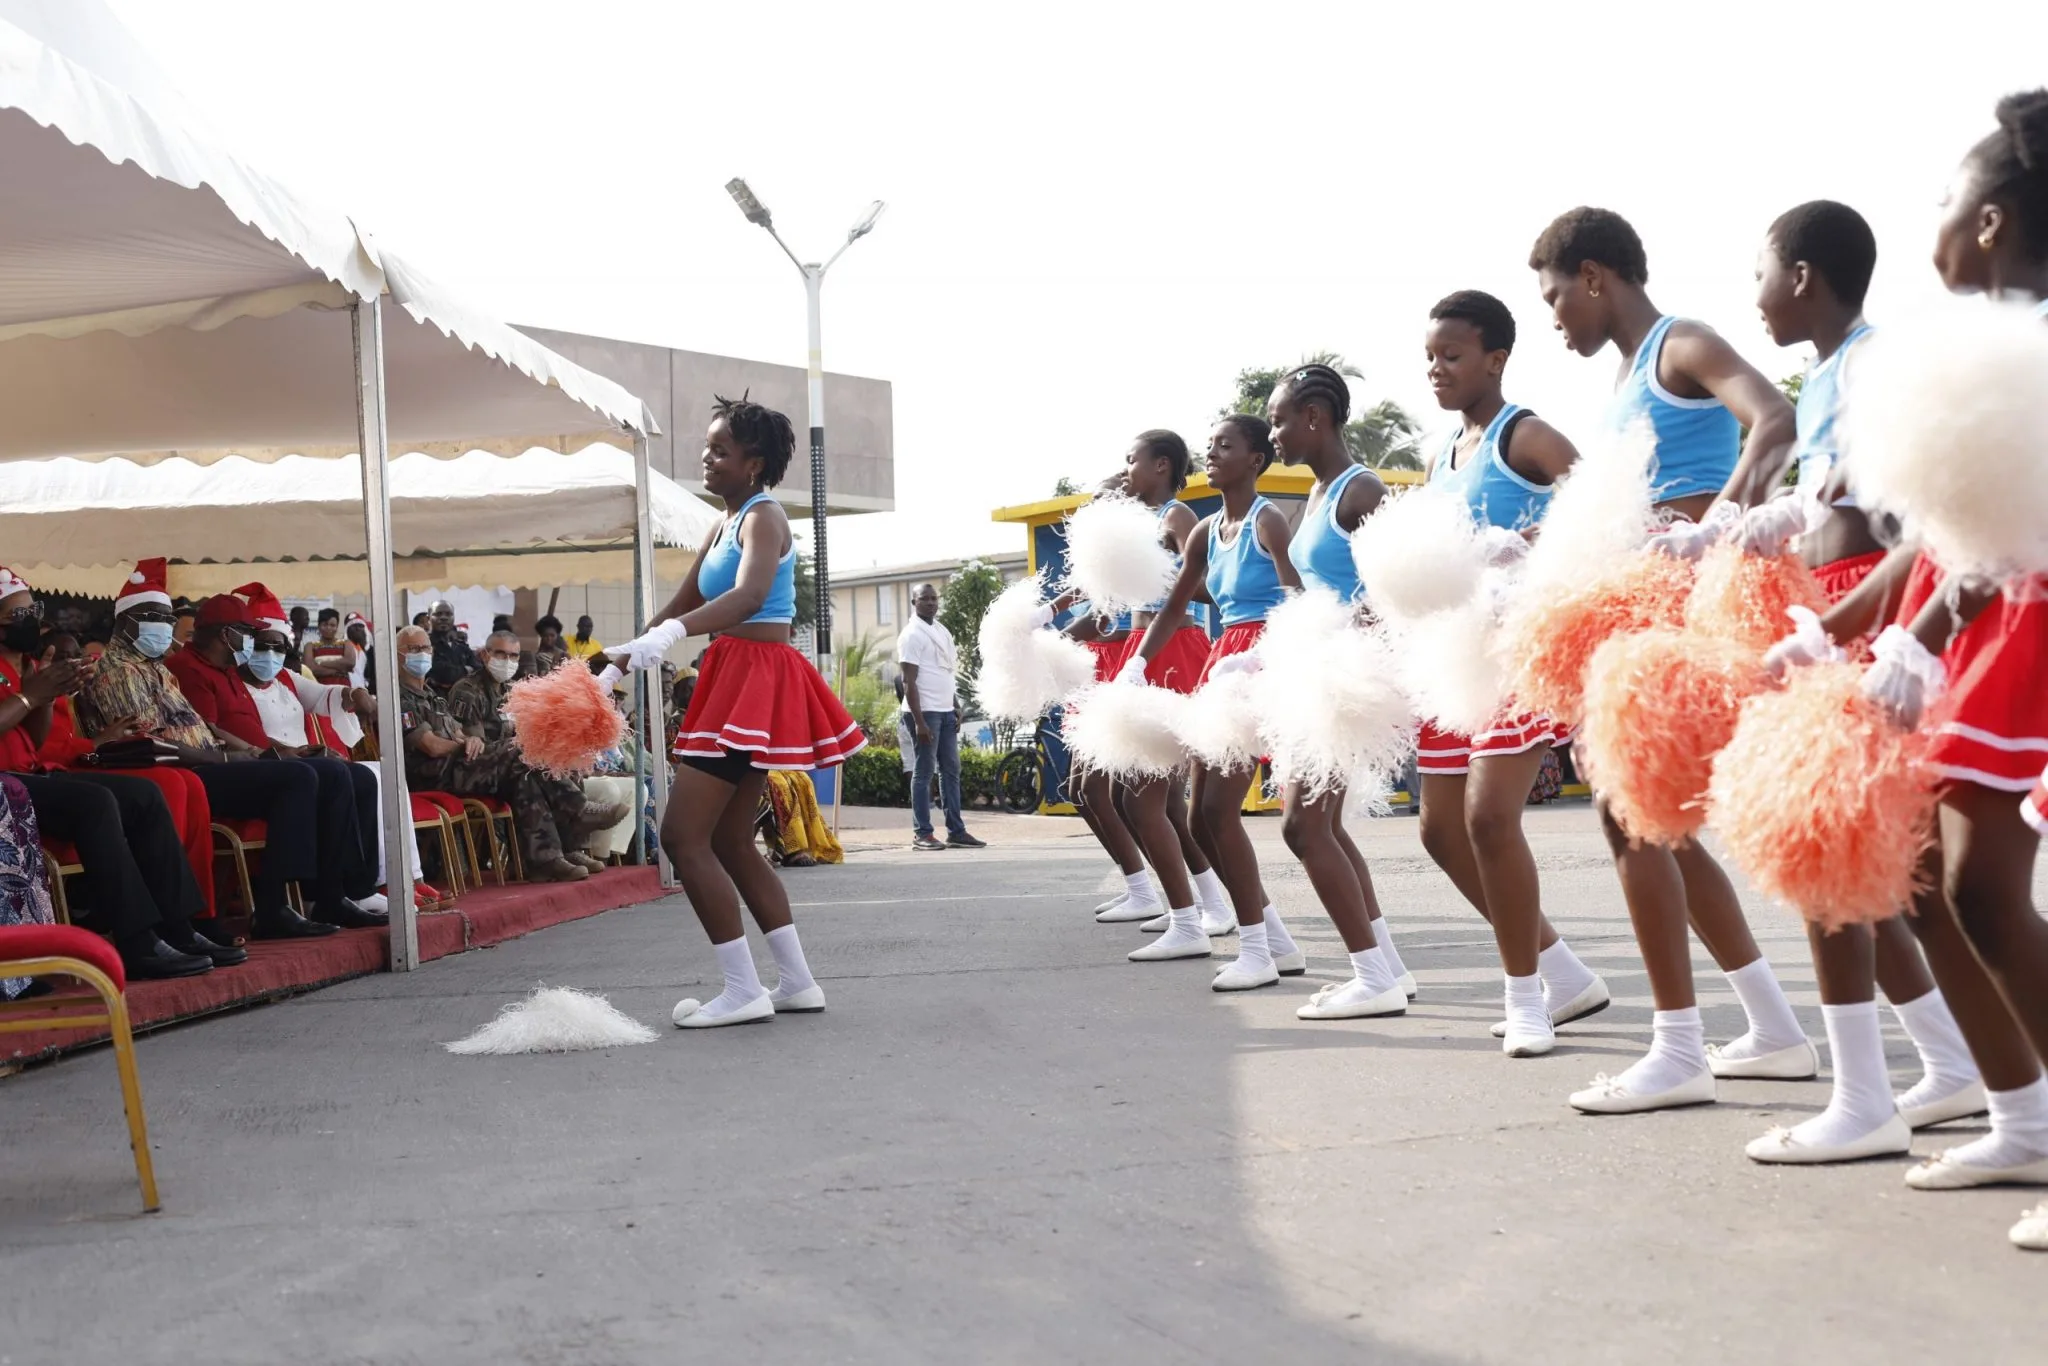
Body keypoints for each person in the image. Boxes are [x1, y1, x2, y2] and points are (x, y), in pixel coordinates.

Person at [1778, 93, 2048, 1247]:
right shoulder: (1977, 351)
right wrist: (1838, 626)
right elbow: (1936, 535)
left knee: (1980, 880)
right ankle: (2022, 1116)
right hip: (1977, 622)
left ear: (1988, 221)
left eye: (1945, 197)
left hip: (2022, 622)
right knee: (1932, 878)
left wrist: (1920, 634)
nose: (1929, 217)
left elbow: (2003, 543)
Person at [1529, 206, 1811, 1113]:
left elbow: (1775, 419)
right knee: (1654, 822)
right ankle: (1772, 1028)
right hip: (1644, 605)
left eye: (1555, 296)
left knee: (1631, 816)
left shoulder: (1679, 344)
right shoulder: (1621, 379)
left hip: (1689, 608)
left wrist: (1718, 524)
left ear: (1594, 276)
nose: (1553, 316)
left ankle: (1679, 1048)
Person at [1736, 202, 1985, 1165]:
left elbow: (1908, 506)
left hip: (1880, 607)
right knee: (1889, 872)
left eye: (1762, 272)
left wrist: (1858, 609)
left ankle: (1864, 1098)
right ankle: (1950, 1061)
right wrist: (1780, 517)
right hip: (1839, 603)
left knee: (1834, 850)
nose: (1756, 294)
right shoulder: (1828, 373)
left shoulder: (1877, 361)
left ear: (1802, 276)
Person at [607, 393, 865, 1028]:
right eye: (707, 446)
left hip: (754, 678)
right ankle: (796, 981)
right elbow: (681, 603)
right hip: (733, 674)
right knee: (727, 839)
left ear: (754, 464)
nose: (707, 457)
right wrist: (622, 657)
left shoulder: (763, 517)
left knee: (681, 837)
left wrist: (673, 635)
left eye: (720, 450)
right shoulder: (721, 524)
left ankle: (742, 989)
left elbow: (749, 596)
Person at [1413, 289, 1611, 1058]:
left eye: (1452, 355)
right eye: (1430, 357)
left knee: (1490, 819)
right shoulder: (1439, 455)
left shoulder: (1523, 435)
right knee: (1439, 831)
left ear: (1495, 359)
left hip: (1519, 648)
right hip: (1454, 653)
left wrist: (1529, 545)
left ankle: (1525, 998)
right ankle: (1562, 972)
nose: (1437, 369)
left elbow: (1604, 506)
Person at [1125, 415, 1308, 989]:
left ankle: (1256, 951)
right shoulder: (1205, 531)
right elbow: (1176, 603)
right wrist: (1137, 664)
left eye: (1225, 446)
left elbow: (1297, 599)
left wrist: (1268, 660)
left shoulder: (1267, 521)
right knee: (1201, 817)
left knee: (1219, 811)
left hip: (1259, 661)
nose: (1212, 454)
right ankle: (1276, 941)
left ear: (1255, 459)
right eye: (1210, 446)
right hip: (1222, 660)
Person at [74, 560, 343, 940]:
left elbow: (201, 727)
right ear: (127, 621)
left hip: (206, 762)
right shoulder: (119, 671)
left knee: (327, 772)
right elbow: (150, 742)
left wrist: (253, 753)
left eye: (168, 619)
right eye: (156, 618)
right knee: (297, 778)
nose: (166, 627)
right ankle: (272, 906)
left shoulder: (155, 669)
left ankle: (324, 894)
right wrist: (227, 757)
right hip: (188, 769)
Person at [1, 567, 241, 976]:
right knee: (95, 802)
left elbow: (36, 740)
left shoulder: (25, 664)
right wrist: (31, 697)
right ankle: (136, 940)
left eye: (34, 610)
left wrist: (45, 695)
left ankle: (178, 926)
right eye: (20, 614)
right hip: (9, 786)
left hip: (35, 773)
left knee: (143, 796)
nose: (33, 621)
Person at [1267, 363, 1412, 1020]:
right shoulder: (1317, 494)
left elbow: (1396, 592)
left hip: (1349, 677)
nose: (1274, 433)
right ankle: (1388, 968)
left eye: (1279, 421)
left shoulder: (1362, 491)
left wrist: (1350, 643)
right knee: (1319, 826)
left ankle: (1373, 978)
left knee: (1304, 827)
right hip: (1315, 671)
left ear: (1314, 418)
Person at [166, 588, 388, 928]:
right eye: (248, 633)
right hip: (212, 768)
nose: (252, 643)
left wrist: (275, 752)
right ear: (227, 634)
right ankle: (274, 904)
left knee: (353, 775)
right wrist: (270, 753)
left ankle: (337, 894)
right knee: (304, 776)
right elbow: (208, 731)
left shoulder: (226, 668)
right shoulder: (189, 667)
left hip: (249, 761)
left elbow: (320, 696)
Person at [395, 623, 618, 883]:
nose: (422, 654)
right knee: (522, 752)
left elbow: (458, 734)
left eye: (425, 648)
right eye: (414, 649)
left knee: (532, 772)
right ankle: (578, 809)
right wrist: (465, 744)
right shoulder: (400, 698)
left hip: (464, 768)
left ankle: (545, 860)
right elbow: (432, 746)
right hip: (434, 775)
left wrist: (468, 740)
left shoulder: (434, 697)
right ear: (397, 654)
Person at [34, 628, 220, 919]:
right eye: (62, 658)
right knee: (166, 782)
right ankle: (161, 913)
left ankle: (201, 914)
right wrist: (97, 741)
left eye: (77, 657)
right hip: (60, 770)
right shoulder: (42, 687)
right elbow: (45, 751)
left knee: (188, 781)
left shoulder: (75, 689)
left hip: (81, 763)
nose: (72, 664)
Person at [449, 628, 610, 876]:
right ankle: (577, 811)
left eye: (513, 656)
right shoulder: (468, 690)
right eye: (500, 654)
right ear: (484, 655)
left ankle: (562, 852)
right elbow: (476, 748)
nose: (507, 661)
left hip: (511, 768)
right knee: (527, 761)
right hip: (477, 770)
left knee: (555, 761)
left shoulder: (512, 691)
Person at [898, 582, 985, 851]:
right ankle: (922, 834)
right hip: (924, 713)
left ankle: (956, 832)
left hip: (945, 711)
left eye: (934, 598)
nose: (931, 603)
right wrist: (919, 722)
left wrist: (955, 705)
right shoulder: (911, 635)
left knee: (951, 771)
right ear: (914, 603)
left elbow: (946, 671)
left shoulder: (941, 630)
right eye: (924, 599)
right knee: (924, 773)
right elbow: (908, 681)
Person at [304, 608, 356, 686]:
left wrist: (320, 663)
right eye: (325, 624)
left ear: (337, 627)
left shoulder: (346, 643)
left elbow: (350, 663)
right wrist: (337, 670)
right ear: (319, 626)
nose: (328, 628)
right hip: (319, 689)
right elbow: (310, 669)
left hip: (343, 689)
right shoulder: (310, 646)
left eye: (332, 625)